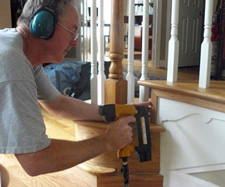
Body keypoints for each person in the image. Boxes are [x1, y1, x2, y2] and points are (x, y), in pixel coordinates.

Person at [0, 0, 151, 177]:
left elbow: (58, 104)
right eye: (72, 31)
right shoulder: (12, 63)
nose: (75, 43)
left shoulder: (17, 47)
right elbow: (36, 160)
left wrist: (114, 111)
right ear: (43, 24)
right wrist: (107, 142)